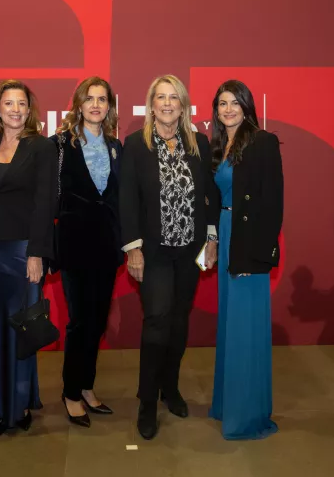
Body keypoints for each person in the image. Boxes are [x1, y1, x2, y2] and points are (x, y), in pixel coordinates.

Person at [119, 74, 216, 440]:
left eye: (173, 97)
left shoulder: (198, 143)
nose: (167, 103)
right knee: (157, 319)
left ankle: (169, 388)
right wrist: (133, 248)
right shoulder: (136, 144)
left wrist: (211, 238)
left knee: (178, 321)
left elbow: (209, 195)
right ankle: (147, 401)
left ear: (183, 105)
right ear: (151, 105)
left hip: (189, 251)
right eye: (160, 97)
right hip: (154, 252)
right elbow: (127, 199)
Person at [0, 80, 58, 436]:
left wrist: (37, 253)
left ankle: (18, 404)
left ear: (29, 110)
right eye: (9, 103)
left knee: (21, 329)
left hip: (23, 252)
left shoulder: (42, 147)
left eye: (22, 103)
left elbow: (45, 203)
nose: (16, 110)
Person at [207, 79, 283, 440]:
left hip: (248, 243)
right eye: (222, 104)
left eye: (235, 103)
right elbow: (212, 200)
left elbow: (274, 201)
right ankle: (228, 405)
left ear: (247, 106)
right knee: (229, 324)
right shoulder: (217, 145)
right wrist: (212, 239)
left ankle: (247, 414)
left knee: (246, 327)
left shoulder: (263, 142)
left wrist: (260, 252)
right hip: (225, 235)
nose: (228, 109)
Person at [50, 77, 123, 427]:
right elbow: (48, 195)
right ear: (78, 104)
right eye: (89, 98)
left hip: (106, 247)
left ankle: (87, 386)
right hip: (74, 246)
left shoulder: (115, 146)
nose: (96, 105)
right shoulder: (59, 144)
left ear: (109, 106)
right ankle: (70, 392)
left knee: (97, 321)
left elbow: (117, 198)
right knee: (79, 321)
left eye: (102, 99)